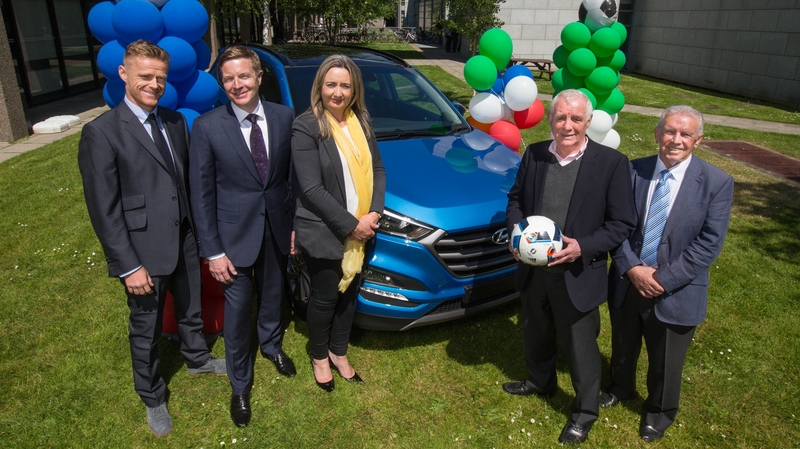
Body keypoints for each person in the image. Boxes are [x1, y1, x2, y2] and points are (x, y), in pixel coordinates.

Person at [77, 40, 226, 438]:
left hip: (184, 237)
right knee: (144, 328)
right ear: (123, 74)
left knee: (191, 306)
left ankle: (196, 358)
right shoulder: (101, 133)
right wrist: (128, 265)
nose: (154, 85)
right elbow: (104, 211)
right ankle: (151, 394)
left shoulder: (175, 122)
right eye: (145, 77)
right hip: (142, 251)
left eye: (160, 78)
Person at [504, 89, 636, 444]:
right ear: (550, 119)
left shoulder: (611, 163)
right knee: (536, 330)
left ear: (588, 122)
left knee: (581, 348)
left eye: (576, 118)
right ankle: (540, 381)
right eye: (561, 117)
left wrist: (582, 247)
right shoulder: (534, 155)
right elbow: (515, 199)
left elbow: (622, 223)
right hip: (534, 270)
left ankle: (584, 412)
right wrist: (517, 232)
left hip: (577, 273)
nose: (568, 125)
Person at [602, 105, 734, 442]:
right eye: (670, 131)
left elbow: (708, 244)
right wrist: (631, 267)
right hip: (628, 280)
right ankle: (621, 386)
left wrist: (661, 279)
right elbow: (617, 227)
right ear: (657, 133)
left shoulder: (716, 183)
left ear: (698, 140)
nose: (676, 140)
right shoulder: (632, 171)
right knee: (623, 343)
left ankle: (660, 411)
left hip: (677, 289)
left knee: (666, 359)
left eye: (685, 134)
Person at [189, 46, 296, 427]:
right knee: (237, 313)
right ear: (222, 83)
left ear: (258, 77)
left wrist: (294, 224)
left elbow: (290, 179)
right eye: (229, 79)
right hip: (231, 239)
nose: (238, 85)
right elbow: (200, 195)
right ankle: (240, 384)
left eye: (244, 76)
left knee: (272, 294)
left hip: (277, 228)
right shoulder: (207, 126)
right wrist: (212, 251)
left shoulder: (285, 117)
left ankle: (270, 345)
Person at [291, 55, 386, 392]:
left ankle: (339, 351)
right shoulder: (306, 127)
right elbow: (311, 188)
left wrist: (374, 214)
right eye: (331, 84)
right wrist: (351, 225)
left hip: (363, 227)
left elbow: (377, 170)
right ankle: (319, 356)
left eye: (345, 85)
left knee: (350, 296)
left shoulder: (361, 120)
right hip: (326, 229)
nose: (338, 92)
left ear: (354, 89)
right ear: (320, 86)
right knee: (326, 296)